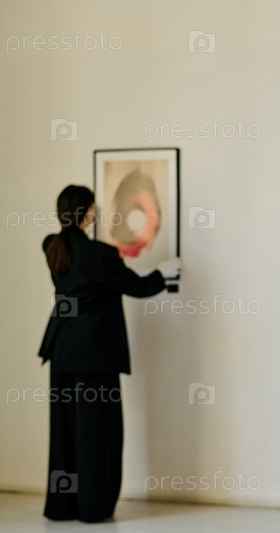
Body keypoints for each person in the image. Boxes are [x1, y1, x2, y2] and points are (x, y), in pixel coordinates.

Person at [38, 184, 181, 522]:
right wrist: (164, 274)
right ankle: (93, 507)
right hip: (94, 359)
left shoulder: (51, 246)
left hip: (61, 352)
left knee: (65, 434)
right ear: (88, 212)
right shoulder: (99, 255)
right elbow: (137, 286)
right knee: (97, 434)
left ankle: (63, 507)